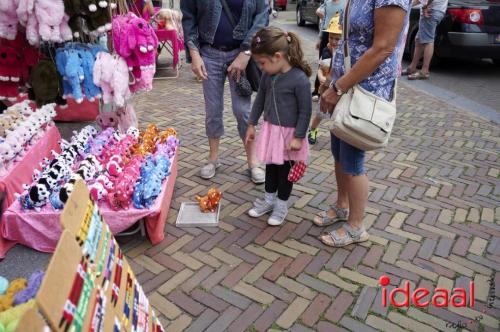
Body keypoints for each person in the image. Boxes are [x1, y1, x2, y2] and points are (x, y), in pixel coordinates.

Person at [316, 0, 411, 247]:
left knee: (352, 158)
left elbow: (383, 48)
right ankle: (342, 206)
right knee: (338, 149)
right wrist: (332, 80)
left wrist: (339, 86)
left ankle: (357, 226)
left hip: (365, 87)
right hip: (346, 80)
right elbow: (347, 42)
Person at [181, 0, 268, 183]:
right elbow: (189, 18)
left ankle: (253, 160)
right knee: (213, 110)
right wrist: (194, 53)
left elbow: (261, 17)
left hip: (240, 54)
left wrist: (246, 53)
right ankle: (213, 158)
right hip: (209, 54)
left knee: (243, 111)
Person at [245, 27, 312, 226]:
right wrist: (251, 124)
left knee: (285, 173)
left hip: (290, 136)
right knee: (271, 169)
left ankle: (281, 205)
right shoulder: (268, 75)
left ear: (277, 56)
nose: (261, 67)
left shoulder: (299, 79)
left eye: (262, 63)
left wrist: (299, 137)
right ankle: (268, 200)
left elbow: (305, 111)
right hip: (271, 131)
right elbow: (260, 100)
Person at [307, 14, 342, 145]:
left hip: (339, 88)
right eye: (332, 38)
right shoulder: (327, 52)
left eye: (338, 39)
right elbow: (322, 70)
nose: (334, 42)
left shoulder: (344, 53)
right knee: (321, 113)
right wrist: (321, 78)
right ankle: (312, 129)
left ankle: (339, 137)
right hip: (327, 87)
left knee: (337, 114)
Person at [403, 0, 448, 79]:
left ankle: (424, 71)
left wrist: (425, 6)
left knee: (427, 41)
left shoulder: (428, 7)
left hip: (431, 10)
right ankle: (412, 68)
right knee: (419, 40)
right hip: (436, 10)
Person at [312, 0, 345, 101]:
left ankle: (333, 87)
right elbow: (323, 19)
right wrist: (320, 37)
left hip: (339, 33)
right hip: (328, 32)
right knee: (324, 62)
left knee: (336, 64)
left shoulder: (345, 2)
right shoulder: (327, 2)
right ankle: (317, 89)